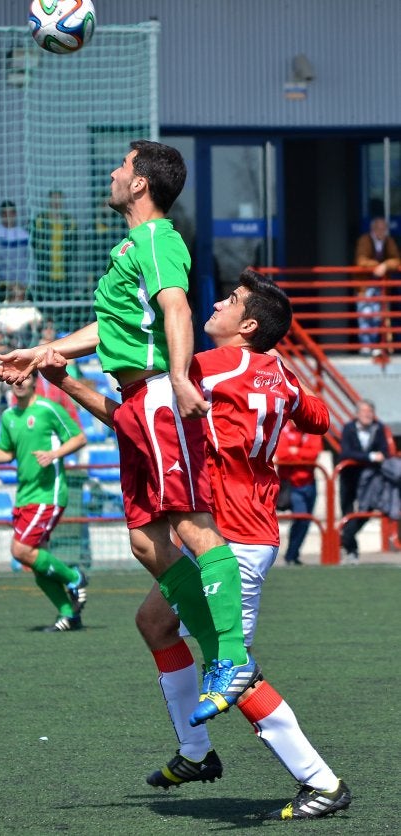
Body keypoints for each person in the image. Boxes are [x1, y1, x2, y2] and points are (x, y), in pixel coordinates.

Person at [38, 268, 351, 821]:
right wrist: (280, 389)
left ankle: (321, 781)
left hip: (227, 540)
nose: (215, 305)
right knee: (155, 623)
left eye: (230, 301)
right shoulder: (278, 371)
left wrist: (63, 371)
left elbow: (132, 418)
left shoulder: (201, 369)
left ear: (247, 325)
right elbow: (322, 419)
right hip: (240, 529)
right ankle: (195, 752)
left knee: (234, 670)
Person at [0, 140, 263, 725]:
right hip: (137, 400)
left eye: (121, 167)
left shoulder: (157, 237)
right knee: (147, 543)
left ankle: (233, 656)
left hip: (160, 396)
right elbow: (112, 325)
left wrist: (179, 378)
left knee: (194, 526)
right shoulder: (131, 245)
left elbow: (176, 309)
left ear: (140, 184)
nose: (114, 174)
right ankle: (221, 664)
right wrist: (44, 351)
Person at [0, 371, 88, 632]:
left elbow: (79, 437)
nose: (19, 383)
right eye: (14, 379)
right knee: (36, 561)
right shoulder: (9, 416)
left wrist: (54, 454)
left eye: (24, 378)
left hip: (49, 493)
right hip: (25, 495)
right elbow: (6, 453)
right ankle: (69, 615)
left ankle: (74, 577)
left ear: (33, 380)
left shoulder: (47, 409)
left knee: (20, 550)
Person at [339, 398, 390, 564]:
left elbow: (384, 452)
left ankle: (346, 537)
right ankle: (351, 550)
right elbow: (346, 453)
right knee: (346, 512)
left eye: (370, 412)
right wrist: (369, 457)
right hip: (349, 476)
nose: (367, 415)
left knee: (366, 511)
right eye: (364, 411)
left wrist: (373, 457)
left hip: (370, 479)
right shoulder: (348, 428)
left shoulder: (379, 427)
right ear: (357, 414)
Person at [275, 419, 323, 566]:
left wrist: (295, 452)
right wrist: (301, 454)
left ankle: (293, 554)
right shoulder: (284, 429)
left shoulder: (312, 430)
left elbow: (315, 453)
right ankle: (291, 555)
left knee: (305, 521)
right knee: (301, 517)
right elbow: (281, 453)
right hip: (292, 484)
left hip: (309, 482)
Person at [354, 217, 400, 355]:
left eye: (384, 229)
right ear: (373, 229)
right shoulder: (364, 240)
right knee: (365, 314)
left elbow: (396, 259)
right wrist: (378, 266)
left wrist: (385, 266)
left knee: (377, 316)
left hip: (380, 285)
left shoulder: (388, 241)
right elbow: (361, 260)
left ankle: (373, 345)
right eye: (379, 228)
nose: (381, 231)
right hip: (364, 285)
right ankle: (366, 345)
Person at [30, 190, 77, 304]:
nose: (56, 202)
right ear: (49, 201)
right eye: (53, 199)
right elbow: (34, 244)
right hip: (45, 271)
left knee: (63, 301)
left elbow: (73, 247)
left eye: (58, 199)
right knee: (46, 301)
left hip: (64, 271)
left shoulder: (69, 222)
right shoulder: (40, 220)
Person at [0, 283, 43, 348]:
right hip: (9, 337)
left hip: (27, 336)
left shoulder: (28, 305)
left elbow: (39, 319)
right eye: (15, 294)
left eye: (20, 294)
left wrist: (32, 323)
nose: (17, 297)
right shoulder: (4, 306)